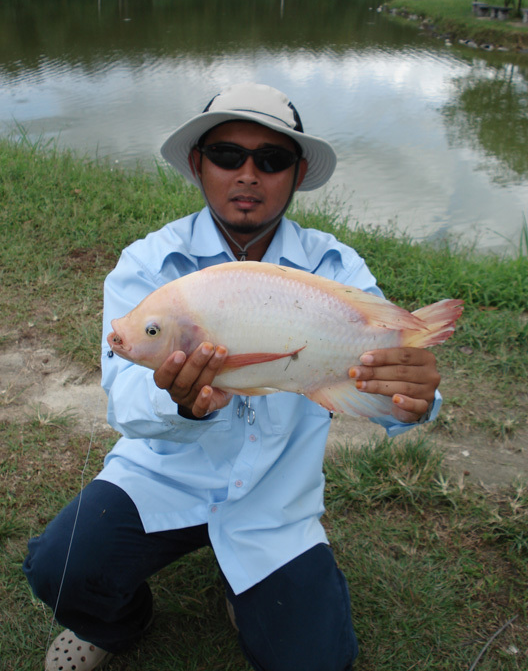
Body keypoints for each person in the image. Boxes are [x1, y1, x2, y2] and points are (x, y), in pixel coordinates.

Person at [24, 83, 441, 671]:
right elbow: (124, 401)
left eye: (271, 160)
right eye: (227, 155)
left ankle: (246, 585)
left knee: (316, 661)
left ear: (296, 174)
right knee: (58, 568)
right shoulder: (148, 265)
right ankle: (115, 622)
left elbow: (383, 387)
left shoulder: (336, 268)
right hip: (161, 481)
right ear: (198, 165)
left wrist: (413, 398)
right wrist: (185, 402)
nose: (248, 174)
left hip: (275, 501)